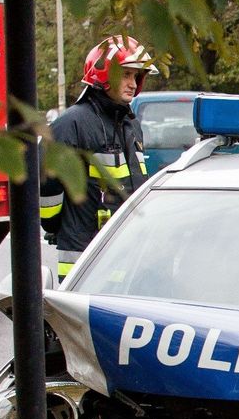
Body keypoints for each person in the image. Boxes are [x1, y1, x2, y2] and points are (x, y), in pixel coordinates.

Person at [40, 35, 158, 280]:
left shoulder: (130, 125)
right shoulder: (71, 124)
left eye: (136, 76)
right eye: (126, 75)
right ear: (104, 75)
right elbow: (46, 183)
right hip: (83, 257)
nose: (133, 83)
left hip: (125, 250)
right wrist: (55, 226)